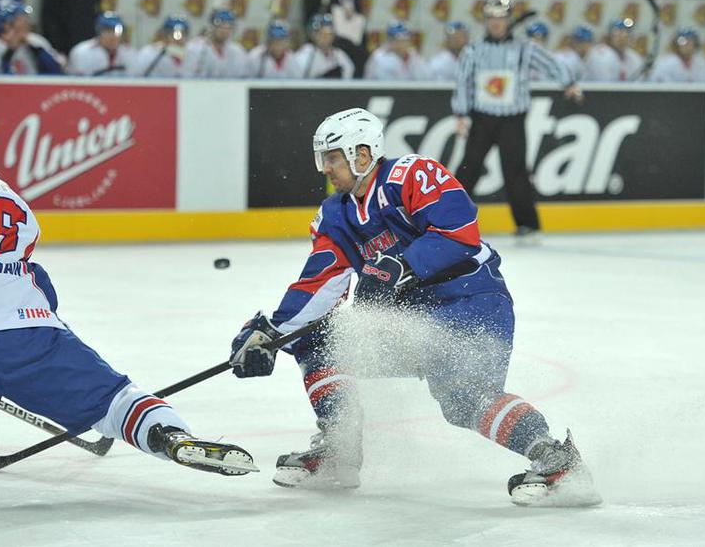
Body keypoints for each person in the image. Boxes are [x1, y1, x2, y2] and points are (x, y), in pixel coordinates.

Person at [0, 108, 258, 506]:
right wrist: (24, 348)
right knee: (115, 400)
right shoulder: (10, 196)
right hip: (27, 329)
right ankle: (168, 434)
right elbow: (40, 284)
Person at [227, 107, 599, 506]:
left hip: (470, 300)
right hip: (411, 320)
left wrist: (403, 263)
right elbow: (319, 283)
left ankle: (557, 461)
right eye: (324, 159)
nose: (326, 169)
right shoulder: (335, 216)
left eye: (333, 158)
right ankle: (340, 451)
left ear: (362, 154)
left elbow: (460, 232)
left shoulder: (411, 175)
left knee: (464, 397)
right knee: (318, 341)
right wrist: (273, 334)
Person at [452, 0, 582, 239]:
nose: (496, 23)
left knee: (516, 171)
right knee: (469, 168)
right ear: (486, 21)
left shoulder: (524, 48)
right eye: (491, 18)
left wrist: (568, 82)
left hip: (512, 120)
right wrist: (460, 114)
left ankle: (527, 223)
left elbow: (550, 63)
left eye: (501, 18)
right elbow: (463, 82)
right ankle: (449, 219)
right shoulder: (473, 50)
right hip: (482, 118)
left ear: (508, 20)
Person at [0, 1, 64, 75]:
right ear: (7, 24)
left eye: (26, 18)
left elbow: (55, 71)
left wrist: (36, 51)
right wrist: (10, 51)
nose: (27, 22)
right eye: (21, 18)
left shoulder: (36, 41)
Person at [182, 8, 249, 78]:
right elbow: (187, 76)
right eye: (220, 26)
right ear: (212, 27)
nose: (224, 31)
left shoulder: (238, 51)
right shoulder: (194, 48)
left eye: (228, 27)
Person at [67, 12, 135, 76]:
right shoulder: (82, 51)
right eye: (108, 31)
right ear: (99, 32)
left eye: (117, 32)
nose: (112, 36)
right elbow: (75, 80)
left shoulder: (130, 53)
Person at [363, 20, 429, 80]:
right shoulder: (379, 57)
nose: (400, 44)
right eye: (396, 40)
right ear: (389, 41)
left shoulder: (415, 56)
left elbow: (426, 77)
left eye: (404, 40)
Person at [293, 14, 354, 79]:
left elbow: (349, 73)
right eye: (322, 33)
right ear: (313, 35)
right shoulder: (305, 54)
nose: (326, 37)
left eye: (329, 34)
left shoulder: (339, 55)